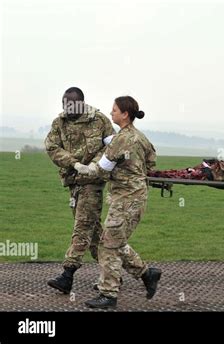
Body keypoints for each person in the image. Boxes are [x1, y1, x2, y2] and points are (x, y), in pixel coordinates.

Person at [75, 96, 161, 309]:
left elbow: (103, 168)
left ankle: (109, 294)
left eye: (114, 110)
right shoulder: (139, 137)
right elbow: (152, 161)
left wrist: (84, 168)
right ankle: (146, 273)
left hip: (126, 199)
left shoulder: (121, 139)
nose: (110, 112)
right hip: (135, 197)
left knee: (107, 245)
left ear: (125, 114)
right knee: (115, 241)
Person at [45, 87, 114, 294]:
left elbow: (112, 146)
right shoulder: (59, 123)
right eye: (64, 104)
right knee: (95, 234)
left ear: (82, 103)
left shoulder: (99, 120)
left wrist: (94, 165)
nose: (67, 108)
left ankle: (67, 275)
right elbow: (51, 147)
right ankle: (134, 273)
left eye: (71, 104)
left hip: (93, 182)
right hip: (73, 181)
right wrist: (74, 163)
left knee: (82, 227)